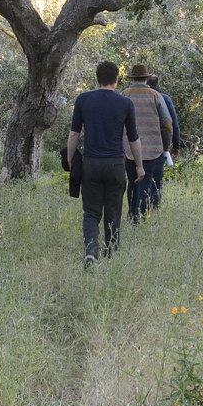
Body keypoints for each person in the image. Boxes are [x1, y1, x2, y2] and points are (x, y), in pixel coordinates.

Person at [68, 61, 145, 267]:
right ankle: (111, 250)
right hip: (115, 165)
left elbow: (74, 133)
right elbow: (133, 138)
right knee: (113, 209)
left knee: (91, 212)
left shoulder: (83, 100)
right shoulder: (125, 104)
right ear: (117, 80)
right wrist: (139, 166)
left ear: (97, 79)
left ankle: (91, 252)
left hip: (91, 164)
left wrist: (70, 159)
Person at [120, 64, 173, 222]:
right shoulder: (156, 95)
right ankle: (141, 215)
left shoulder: (124, 95)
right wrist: (166, 146)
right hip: (152, 147)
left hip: (128, 147)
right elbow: (168, 123)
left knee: (132, 180)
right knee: (146, 181)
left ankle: (132, 213)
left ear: (133, 78)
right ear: (146, 78)